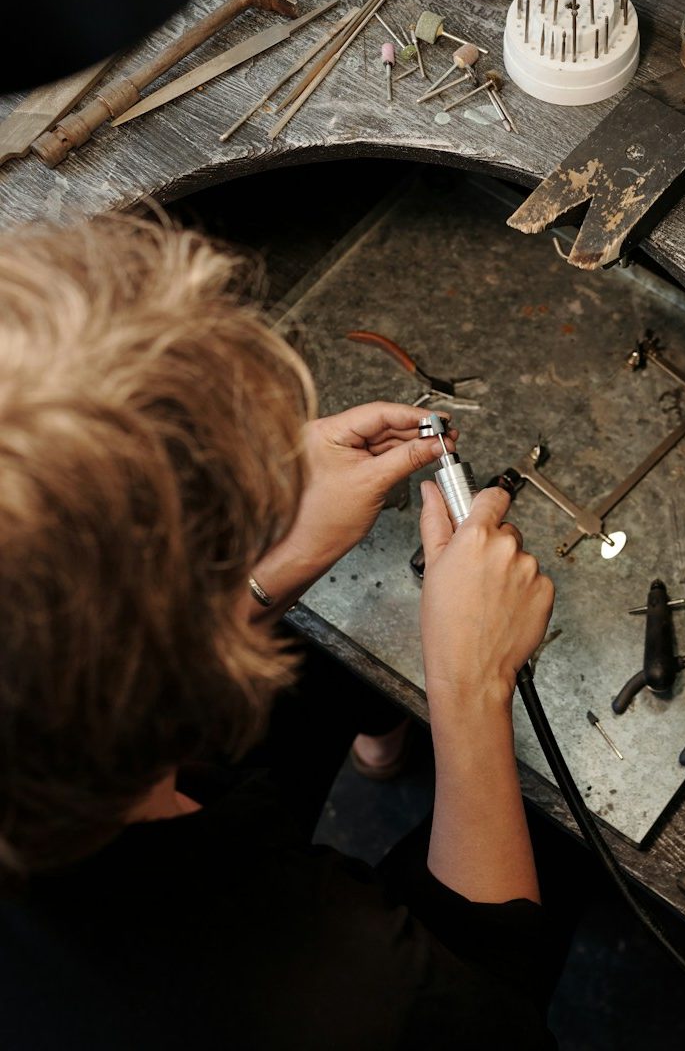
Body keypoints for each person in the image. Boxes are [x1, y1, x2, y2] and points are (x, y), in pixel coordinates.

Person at [0, 215, 565, 1049]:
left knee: (315, 669)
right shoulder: (342, 997)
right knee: (568, 850)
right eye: (250, 501)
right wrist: (469, 688)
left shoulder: (46, 725)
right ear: (188, 668)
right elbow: (489, 995)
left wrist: (267, 561)